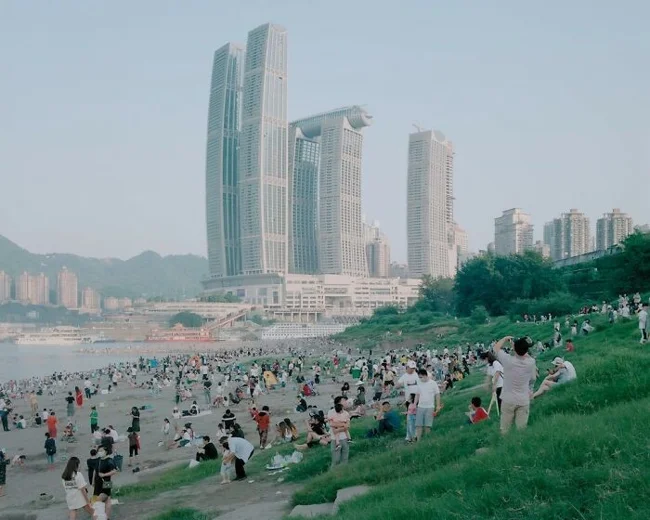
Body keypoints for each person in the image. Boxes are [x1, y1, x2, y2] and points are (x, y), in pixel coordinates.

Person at [494, 336, 537, 434]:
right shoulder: (531, 362)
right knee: (521, 430)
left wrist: (505, 339)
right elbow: (533, 378)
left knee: (505, 430)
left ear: (514, 349)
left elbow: (496, 348)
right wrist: (517, 347)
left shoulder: (508, 360)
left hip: (508, 399)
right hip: (523, 400)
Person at [413, 369, 441, 441]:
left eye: (421, 377)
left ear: (425, 375)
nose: (420, 379)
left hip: (430, 407)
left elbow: (437, 395)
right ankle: (418, 440)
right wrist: (414, 404)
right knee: (418, 425)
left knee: (427, 425)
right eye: (419, 377)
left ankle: (426, 440)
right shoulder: (419, 383)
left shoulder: (433, 383)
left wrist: (438, 405)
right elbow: (417, 394)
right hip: (420, 406)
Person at [93, 448, 117, 519]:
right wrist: (93, 481)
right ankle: (106, 517)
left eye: (101, 451)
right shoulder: (98, 460)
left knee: (99, 500)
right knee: (107, 499)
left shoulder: (109, 460)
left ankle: (102, 517)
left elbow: (114, 471)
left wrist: (104, 475)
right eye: (99, 451)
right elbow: (95, 471)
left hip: (107, 482)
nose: (100, 452)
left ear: (106, 452)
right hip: (98, 482)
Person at [327, 398, 350, 467]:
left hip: (345, 438)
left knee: (345, 458)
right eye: (344, 401)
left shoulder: (346, 413)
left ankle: (343, 471)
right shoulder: (331, 412)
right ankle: (333, 472)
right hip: (335, 439)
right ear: (339, 403)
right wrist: (343, 424)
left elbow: (348, 426)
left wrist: (338, 429)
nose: (346, 402)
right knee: (336, 460)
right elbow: (331, 424)